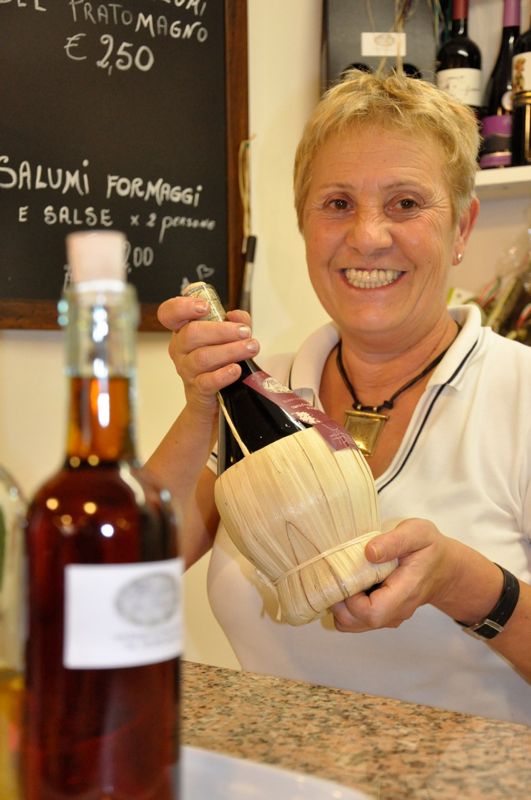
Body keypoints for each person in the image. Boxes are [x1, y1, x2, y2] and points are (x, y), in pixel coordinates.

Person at [147, 70, 531, 725]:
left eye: (405, 203)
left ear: (462, 228)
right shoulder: (259, 391)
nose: (368, 236)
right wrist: (202, 406)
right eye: (337, 203)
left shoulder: (519, 395)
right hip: (274, 771)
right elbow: (117, 575)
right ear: (304, 224)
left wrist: (461, 581)